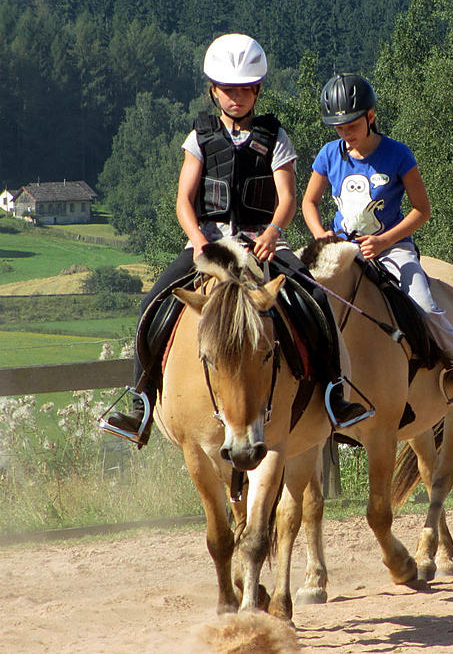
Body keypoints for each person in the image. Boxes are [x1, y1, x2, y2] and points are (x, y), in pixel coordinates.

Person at [102, 34, 366, 444]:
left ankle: (335, 394)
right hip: (210, 245)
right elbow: (183, 200)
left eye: (244, 89)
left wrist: (275, 232)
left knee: (315, 299)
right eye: (228, 90)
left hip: (263, 243)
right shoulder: (199, 138)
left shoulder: (276, 138)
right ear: (214, 91)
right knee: (151, 302)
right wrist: (197, 240)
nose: (236, 97)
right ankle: (141, 403)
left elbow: (288, 198)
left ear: (257, 89)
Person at [301, 73, 453, 403]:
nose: (345, 134)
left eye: (351, 126)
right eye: (339, 128)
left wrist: (384, 241)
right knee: (301, 298)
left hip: (390, 249)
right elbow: (309, 202)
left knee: (423, 303)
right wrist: (320, 235)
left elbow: (421, 210)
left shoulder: (398, 154)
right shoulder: (328, 154)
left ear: (370, 117)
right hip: (340, 249)